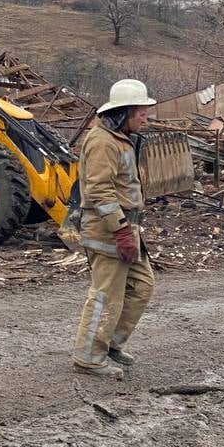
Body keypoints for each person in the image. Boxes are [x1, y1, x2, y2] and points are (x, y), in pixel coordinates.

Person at [71, 78, 157, 379]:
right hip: (107, 231)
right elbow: (99, 191)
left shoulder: (119, 138)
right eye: (140, 112)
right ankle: (89, 357)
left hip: (125, 228)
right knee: (106, 294)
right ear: (123, 113)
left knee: (142, 285)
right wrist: (121, 231)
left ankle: (108, 344)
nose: (145, 118)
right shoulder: (102, 141)